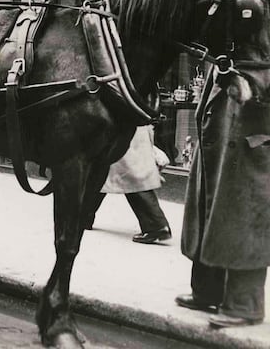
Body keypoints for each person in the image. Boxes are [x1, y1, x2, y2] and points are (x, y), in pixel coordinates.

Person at [176, 72, 270, 329]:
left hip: (255, 117)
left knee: (245, 209)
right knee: (212, 204)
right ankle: (207, 291)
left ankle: (245, 304)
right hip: (225, 115)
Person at [84, 124, 172, 244]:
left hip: (124, 130)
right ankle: (83, 217)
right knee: (105, 173)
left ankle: (156, 225)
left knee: (125, 176)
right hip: (134, 128)